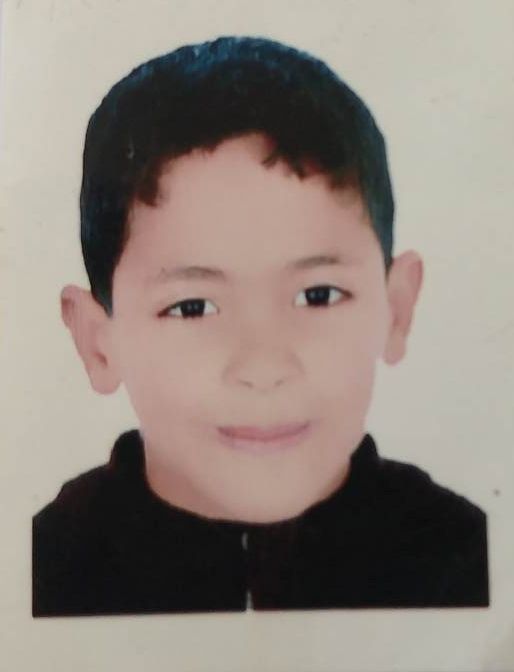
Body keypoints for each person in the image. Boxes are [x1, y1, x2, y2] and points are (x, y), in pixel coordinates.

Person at [32, 35, 489, 616]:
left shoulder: (465, 559)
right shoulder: (44, 569)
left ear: (396, 309)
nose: (264, 366)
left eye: (317, 296)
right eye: (192, 307)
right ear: (97, 344)